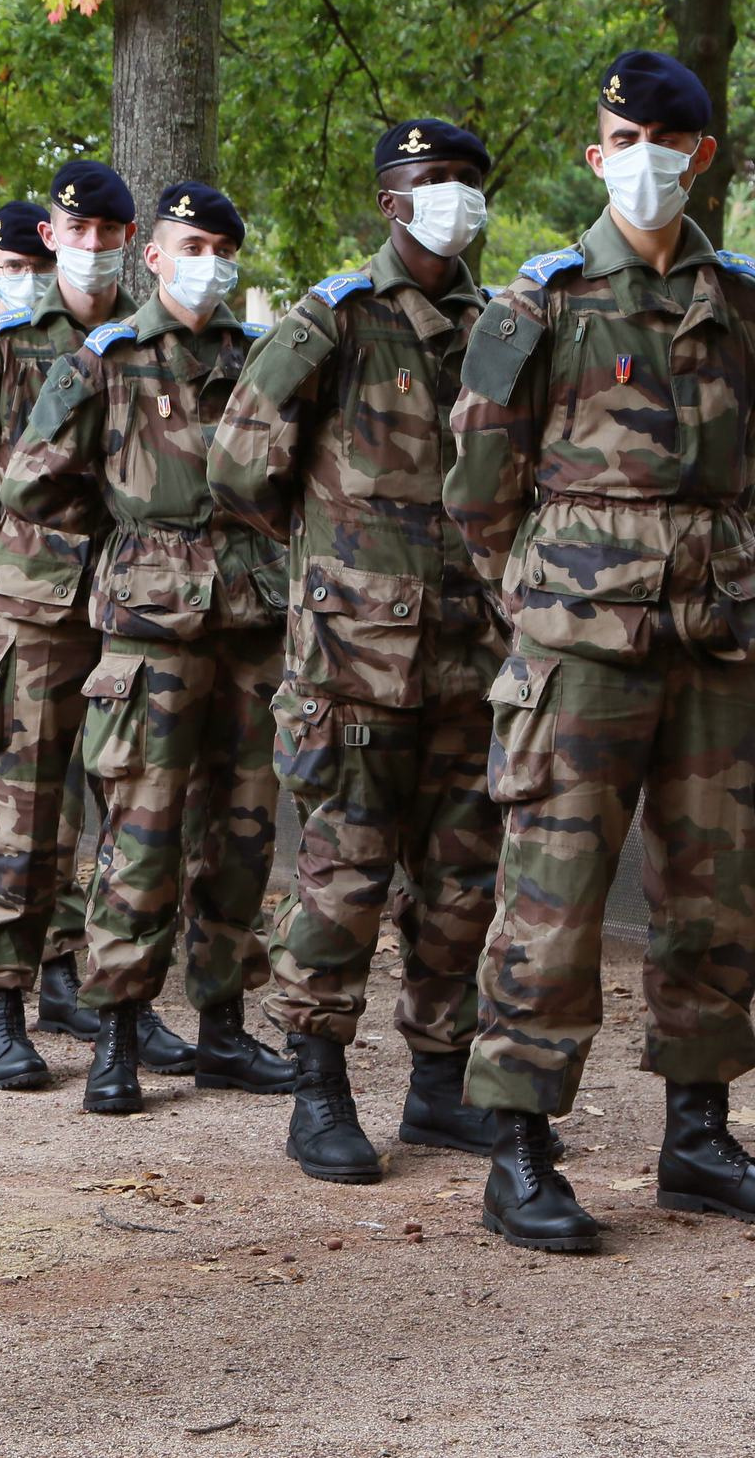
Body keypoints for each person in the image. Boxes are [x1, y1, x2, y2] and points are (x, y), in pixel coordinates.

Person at [446, 50, 755, 1249]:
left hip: (714, 634)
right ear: (594, 148)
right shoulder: (541, 302)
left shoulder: (743, 300)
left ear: (697, 154)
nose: (643, 157)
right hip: (581, 643)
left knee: (715, 894)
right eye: (622, 136)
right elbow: (475, 491)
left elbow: (741, 457)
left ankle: (696, 1139)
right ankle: (517, 1148)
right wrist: (551, 594)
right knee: (549, 899)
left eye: (666, 141)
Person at [207, 120, 512, 1183]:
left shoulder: (501, 324)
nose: (454, 199)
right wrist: (329, 556)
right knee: (342, 872)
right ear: (391, 201)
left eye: (467, 182)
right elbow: (239, 467)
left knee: (463, 880)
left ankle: (439, 1088)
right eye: (432, 181)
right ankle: (318, 1086)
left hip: (471, 656)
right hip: (351, 663)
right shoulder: (330, 320)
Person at [0, 180, 294, 1116]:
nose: (207, 261)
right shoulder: (106, 359)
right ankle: (118, 1033)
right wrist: (134, 535)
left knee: (240, 833)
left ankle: (225, 1030)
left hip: (249, 621)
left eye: (221, 246)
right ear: (153, 255)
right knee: (143, 834)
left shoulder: (257, 360)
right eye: (188, 244)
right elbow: (31, 484)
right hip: (150, 632)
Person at [0, 171, 134, 1087]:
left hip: (129, 606)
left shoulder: (141, 342)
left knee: (116, 806)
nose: (91, 243)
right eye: (77, 227)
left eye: (108, 228)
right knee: (19, 808)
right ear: (53, 234)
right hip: (28, 615)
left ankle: (69, 972)